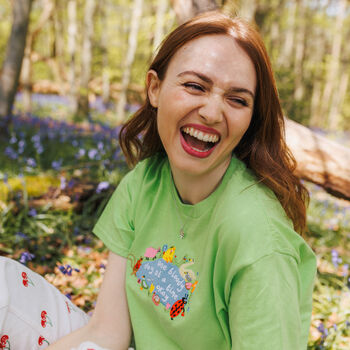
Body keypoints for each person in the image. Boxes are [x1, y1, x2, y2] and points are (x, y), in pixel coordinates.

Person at [0, 11, 316, 350]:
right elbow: (107, 333)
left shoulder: (257, 236)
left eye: (237, 100)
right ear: (155, 88)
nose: (212, 112)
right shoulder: (144, 183)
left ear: (250, 119)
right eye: (195, 86)